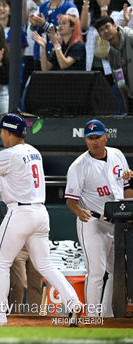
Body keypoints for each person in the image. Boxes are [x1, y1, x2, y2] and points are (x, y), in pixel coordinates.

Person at [0, 113, 83, 326]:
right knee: (45, 265)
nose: (1, 134)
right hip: (40, 213)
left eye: (2, 131)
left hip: (20, 213)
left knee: (1, 263)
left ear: (9, 132)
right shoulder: (33, 151)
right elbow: (5, 179)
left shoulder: (10, 154)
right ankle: (73, 302)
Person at [65, 119, 133, 317]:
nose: (93, 142)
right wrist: (79, 212)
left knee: (117, 270)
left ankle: (107, 313)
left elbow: (127, 187)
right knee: (96, 272)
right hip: (93, 221)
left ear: (106, 136)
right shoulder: (79, 165)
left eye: (97, 137)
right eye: (90, 138)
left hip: (117, 222)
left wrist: (129, 211)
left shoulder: (117, 154)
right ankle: (93, 317)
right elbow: (70, 200)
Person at [29, 0, 79, 69]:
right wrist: (34, 24)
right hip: (40, 57)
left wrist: (44, 24)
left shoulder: (70, 8)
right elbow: (34, 32)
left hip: (60, 59)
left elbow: (68, 31)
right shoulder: (42, 6)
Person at [94, 16, 133, 111]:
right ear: (100, 35)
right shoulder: (111, 55)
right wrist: (127, 107)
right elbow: (120, 82)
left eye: (107, 27)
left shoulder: (131, 38)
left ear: (115, 26)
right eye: (101, 30)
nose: (106, 31)